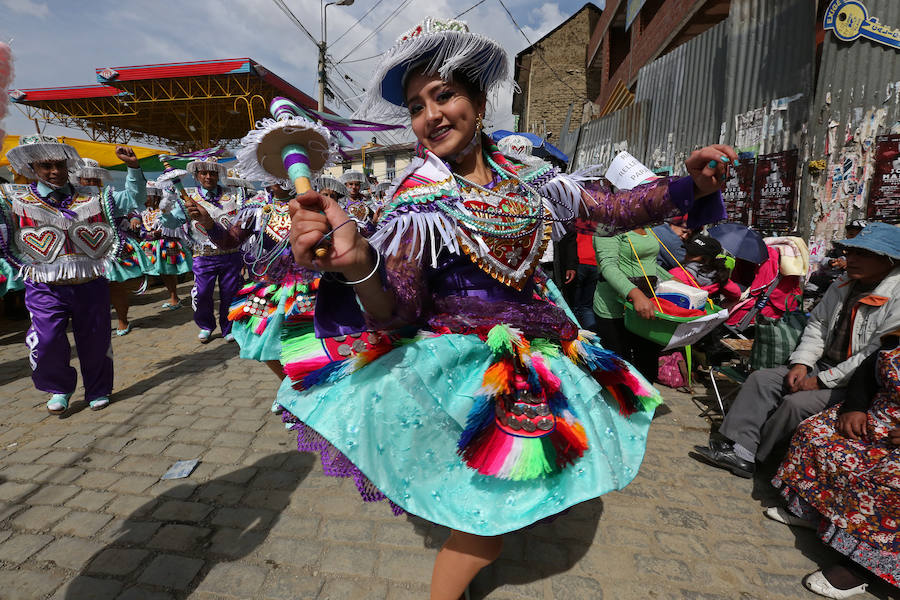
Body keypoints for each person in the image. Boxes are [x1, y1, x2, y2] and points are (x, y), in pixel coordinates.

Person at [278, 17, 735, 599]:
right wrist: (360, 265)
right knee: (483, 525)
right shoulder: (419, 197)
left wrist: (686, 188)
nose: (431, 116)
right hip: (463, 366)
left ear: (478, 98)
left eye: (443, 95)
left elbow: (613, 206)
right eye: (417, 106)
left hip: (541, 353)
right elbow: (399, 309)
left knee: (490, 502)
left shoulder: (530, 176)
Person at [693, 222, 900, 478]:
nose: (852, 259)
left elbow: (871, 355)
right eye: (851, 252)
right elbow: (818, 326)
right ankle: (740, 449)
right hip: (821, 363)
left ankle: (757, 456)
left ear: (889, 260)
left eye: (863, 254)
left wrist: (821, 381)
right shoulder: (844, 284)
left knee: (796, 404)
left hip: (856, 381)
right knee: (762, 379)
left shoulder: (896, 296)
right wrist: (801, 363)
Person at [0, 136, 145, 413]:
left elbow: (133, 200)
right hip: (45, 286)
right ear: (33, 167)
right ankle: (59, 387)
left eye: (59, 164)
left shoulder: (93, 196)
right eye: (46, 166)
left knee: (96, 339)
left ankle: (98, 389)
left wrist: (134, 169)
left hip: (89, 283)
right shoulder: (13, 198)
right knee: (48, 340)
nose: (55, 171)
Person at [766, 331, 900, 598]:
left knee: (891, 481)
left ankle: (862, 567)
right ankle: (813, 511)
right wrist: (856, 407)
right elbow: (866, 372)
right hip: (878, 417)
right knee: (815, 434)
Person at [199, 178, 315, 381]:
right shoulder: (257, 207)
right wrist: (209, 223)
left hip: (305, 286)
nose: (282, 178)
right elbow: (229, 242)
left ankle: (301, 386)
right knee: (258, 338)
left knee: (304, 339)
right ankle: (287, 384)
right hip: (265, 287)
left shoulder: (313, 205)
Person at [165, 157, 243, 343]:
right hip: (203, 255)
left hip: (230, 255)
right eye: (204, 173)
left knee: (230, 293)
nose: (209, 177)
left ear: (219, 175)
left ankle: (229, 327)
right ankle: (206, 325)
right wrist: (165, 210)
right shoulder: (187, 198)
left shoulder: (232, 196)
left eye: (213, 173)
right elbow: (174, 221)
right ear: (197, 175)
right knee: (203, 293)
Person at [73, 158, 151, 336]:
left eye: (95, 179)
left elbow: (134, 196)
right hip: (80, 252)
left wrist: (132, 167)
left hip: (109, 249)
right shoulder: (68, 201)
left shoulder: (108, 197)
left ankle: (122, 319)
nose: (92, 183)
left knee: (115, 286)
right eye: (87, 179)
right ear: (78, 180)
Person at [592, 227, 673, 380]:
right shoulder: (607, 224)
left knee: (647, 368)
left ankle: (645, 402)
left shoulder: (645, 225)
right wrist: (635, 294)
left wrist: (672, 279)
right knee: (620, 372)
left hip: (646, 307)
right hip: (615, 309)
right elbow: (608, 266)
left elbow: (649, 263)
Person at [139, 181, 192, 310]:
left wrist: (160, 233)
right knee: (162, 273)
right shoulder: (144, 214)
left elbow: (175, 228)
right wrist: (148, 235)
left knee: (169, 271)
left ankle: (174, 297)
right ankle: (173, 296)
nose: (144, 199)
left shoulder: (167, 211)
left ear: (155, 196)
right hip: (151, 247)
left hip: (166, 245)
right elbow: (142, 231)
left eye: (147, 196)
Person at [668, 235, 740, 307]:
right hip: (704, 315)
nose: (686, 255)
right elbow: (736, 294)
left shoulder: (675, 273)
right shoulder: (719, 276)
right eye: (687, 251)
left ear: (706, 259)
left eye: (692, 254)